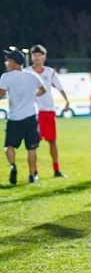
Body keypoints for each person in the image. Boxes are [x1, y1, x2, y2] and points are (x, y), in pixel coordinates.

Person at [1, 48, 46, 185]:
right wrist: (33, 95)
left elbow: (1, 94)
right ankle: (32, 175)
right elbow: (43, 89)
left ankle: (13, 166)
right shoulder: (31, 76)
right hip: (31, 116)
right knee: (31, 148)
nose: (6, 63)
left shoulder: (6, 77)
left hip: (15, 117)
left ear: (14, 62)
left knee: (9, 145)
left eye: (7, 61)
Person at [25, 44, 68, 178]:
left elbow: (59, 88)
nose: (37, 58)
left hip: (48, 110)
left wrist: (67, 101)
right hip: (33, 112)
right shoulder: (27, 72)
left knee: (52, 141)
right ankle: (34, 172)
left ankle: (56, 169)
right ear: (31, 57)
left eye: (39, 55)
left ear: (44, 57)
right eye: (34, 55)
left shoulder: (50, 72)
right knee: (33, 144)